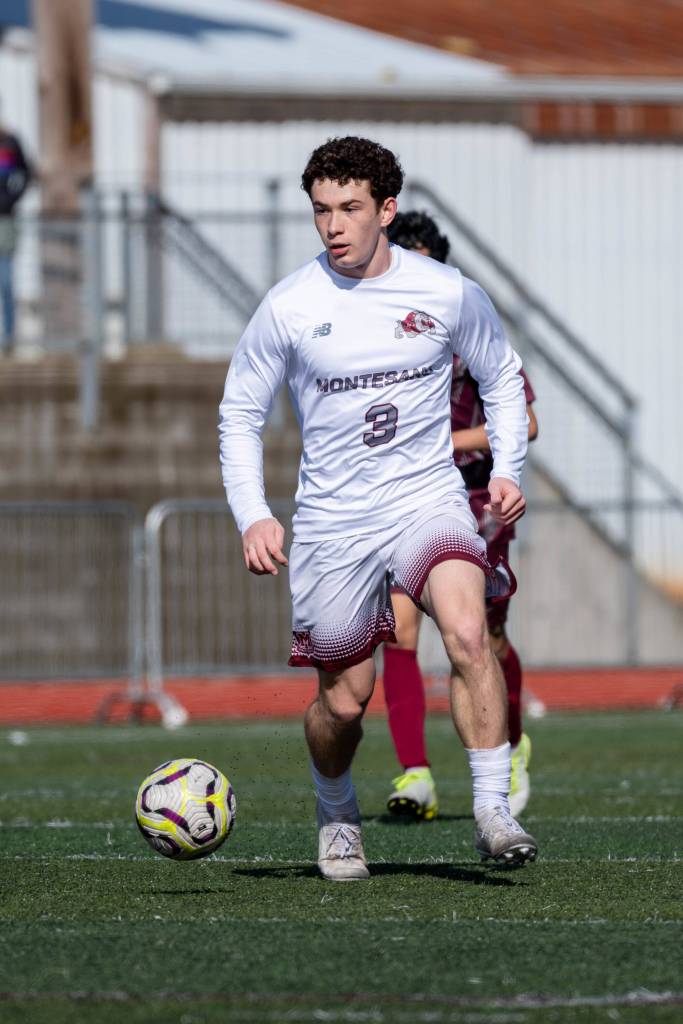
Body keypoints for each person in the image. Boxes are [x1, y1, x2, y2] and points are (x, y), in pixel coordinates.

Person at [219, 136, 538, 881]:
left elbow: (501, 376)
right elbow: (239, 413)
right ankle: (335, 810)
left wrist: (509, 470)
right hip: (333, 522)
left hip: (424, 498)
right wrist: (252, 513)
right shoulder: (290, 306)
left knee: (466, 631)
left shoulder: (446, 291)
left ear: (385, 210)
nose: (334, 225)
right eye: (321, 210)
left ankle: (492, 809)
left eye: (350, 208)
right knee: (343, 703)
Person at [383, 211, 538, 823]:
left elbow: (524, 421)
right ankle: (415, 773)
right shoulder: (380, 331)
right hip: (408, 499)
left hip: (478, 503)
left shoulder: (465, 321)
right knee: (398, 629)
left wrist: (453, 442)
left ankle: (511, 746)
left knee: (481, 639)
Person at [0, 116, 31, 353]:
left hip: (6, 221)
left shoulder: (10, 142)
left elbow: (27, 174)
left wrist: (10, 200)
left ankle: (9, 338)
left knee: (6, 281)